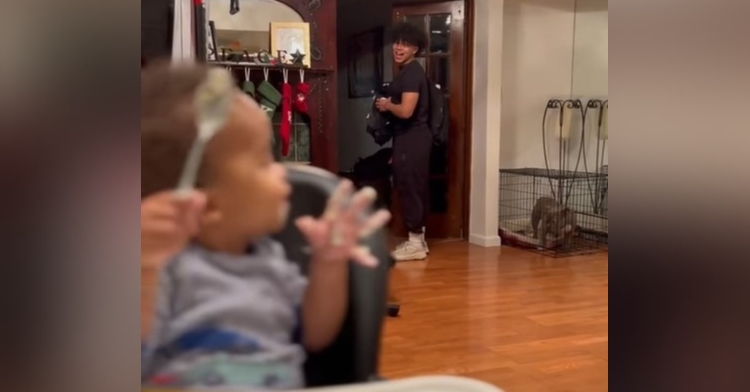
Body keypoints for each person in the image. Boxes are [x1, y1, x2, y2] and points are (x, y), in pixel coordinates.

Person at [140, 63, 390, 389]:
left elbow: (316, 336)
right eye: (264, 162)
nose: (283, 174)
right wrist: (145, 267)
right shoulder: (163, 271)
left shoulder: (269, 259)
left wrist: (328, 264)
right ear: (210, 205)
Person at [375, 22, 431, 261]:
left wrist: (387, 105)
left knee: (410, 188)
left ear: (415, 49)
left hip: (414, 138)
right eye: (397, 42)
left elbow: (407, 111)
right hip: (408, 138)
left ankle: (416, 244)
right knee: (411, 185)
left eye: (405, 44)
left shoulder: (412, 74)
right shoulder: (408, 72)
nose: (399, 48)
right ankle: (418, 241)